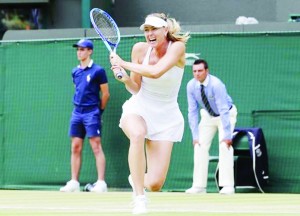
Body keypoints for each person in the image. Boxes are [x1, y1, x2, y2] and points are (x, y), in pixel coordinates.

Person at [110, 13, 190, 214]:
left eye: (154, 29)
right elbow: (136, 88)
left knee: (155, 183)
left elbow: (156, 72)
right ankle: (139, 199)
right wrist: (125, 79)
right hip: (139, 108)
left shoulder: (178, 48)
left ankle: (136, 177)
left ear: (165, 30)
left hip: (167, 116)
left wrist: (123, 63)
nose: (149, 33)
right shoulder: (139, 49)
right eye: (146, 30)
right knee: (137, 134)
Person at [60, 39, 110, 193]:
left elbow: (106, 94)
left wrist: (98, 111)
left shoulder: (98, 71)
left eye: (83, 49)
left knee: (96, 146)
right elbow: (78, 89)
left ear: (90, 51)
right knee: (75, 146)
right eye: (78, 49)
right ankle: (74, 182)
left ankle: (101, 183)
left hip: (92, 112)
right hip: (77, 112)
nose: (79, 52)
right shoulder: (75, 71)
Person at [185, 59, 237, 195]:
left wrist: (227, 135)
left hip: (226, 115)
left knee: (224, 146)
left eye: (200, 71)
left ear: (206, 71)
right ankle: (199, 186)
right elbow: (192, 111)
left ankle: (227, 186)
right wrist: (195, 136)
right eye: (194, 71)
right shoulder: (191, 86)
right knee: (199, 146)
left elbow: (224, 109)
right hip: (208, 116)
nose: (197, 74)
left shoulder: (216, 84)